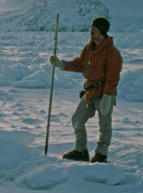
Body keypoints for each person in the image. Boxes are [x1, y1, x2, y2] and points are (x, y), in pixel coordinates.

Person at [49, 17, 123, 163]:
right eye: (91, 29)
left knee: (105, 126)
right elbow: (79, 65)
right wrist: (62, 65)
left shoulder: (112, 52)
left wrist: (108, 97)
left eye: (94, 29)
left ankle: (101, 154)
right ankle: (81, 151)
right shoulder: (89, 48)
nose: (91, 31)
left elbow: (113, 77)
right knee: (77, 119)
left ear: (102, 31)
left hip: (104, 94)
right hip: (90, 93)